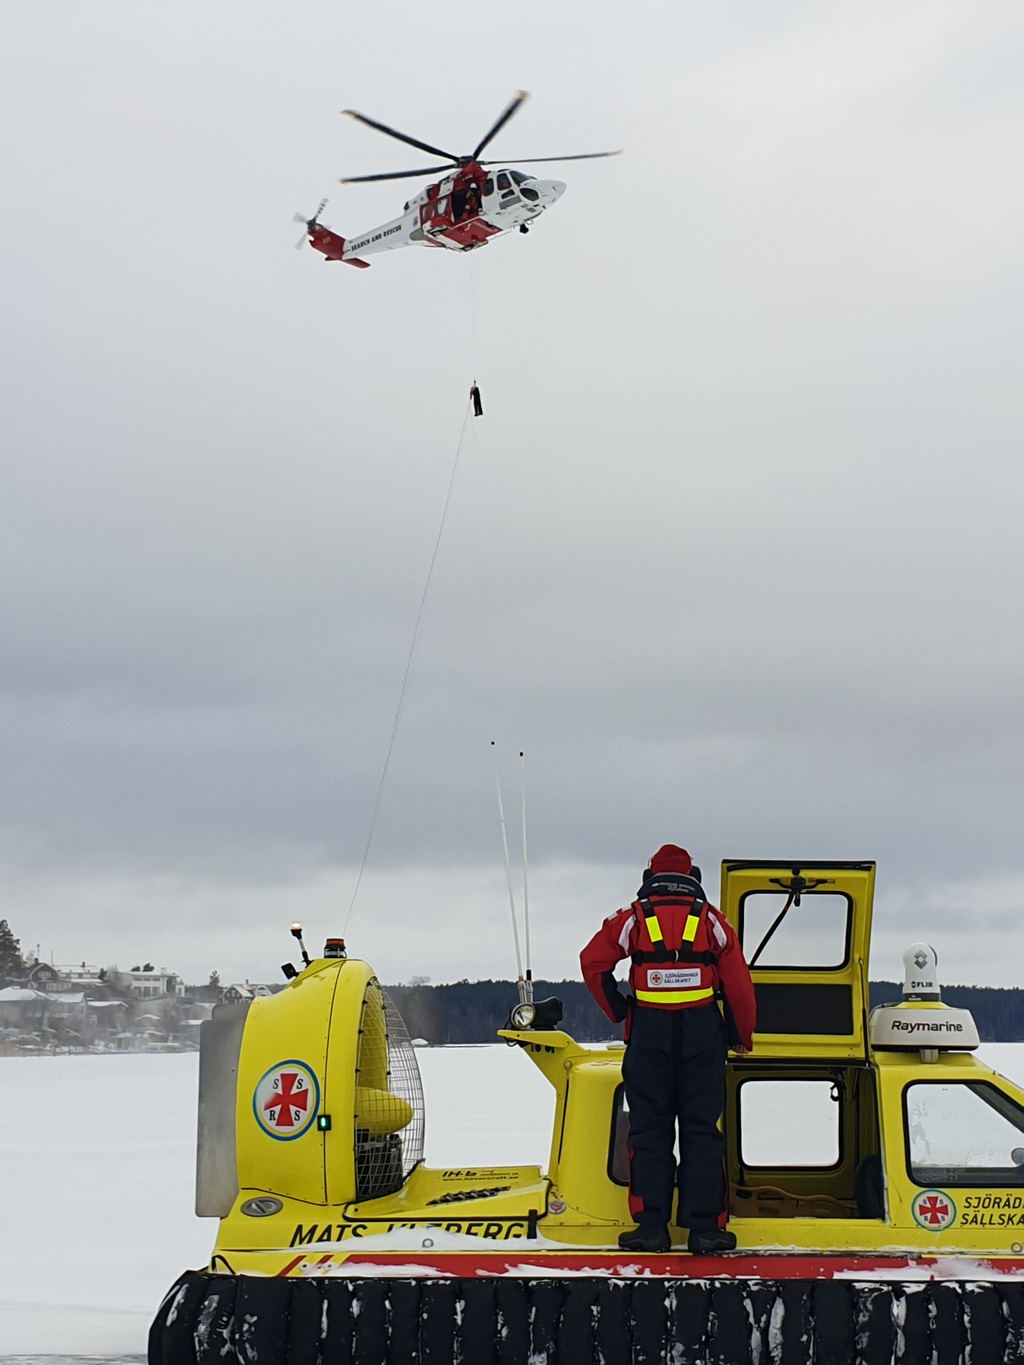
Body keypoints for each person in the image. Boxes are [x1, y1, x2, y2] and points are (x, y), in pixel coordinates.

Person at [580, 843, 755, 1254]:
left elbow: (592, 961)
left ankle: (651, 1229)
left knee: (649, 1130)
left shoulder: (632, 919)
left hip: (648, 1036)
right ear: (693, 877)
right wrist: (740, 1034)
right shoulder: (713, 922)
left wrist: (616, 1009)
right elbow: (739, 985)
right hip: (702, 1035)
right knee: (700, 1130)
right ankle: (706, 1231)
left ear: (650, 878)